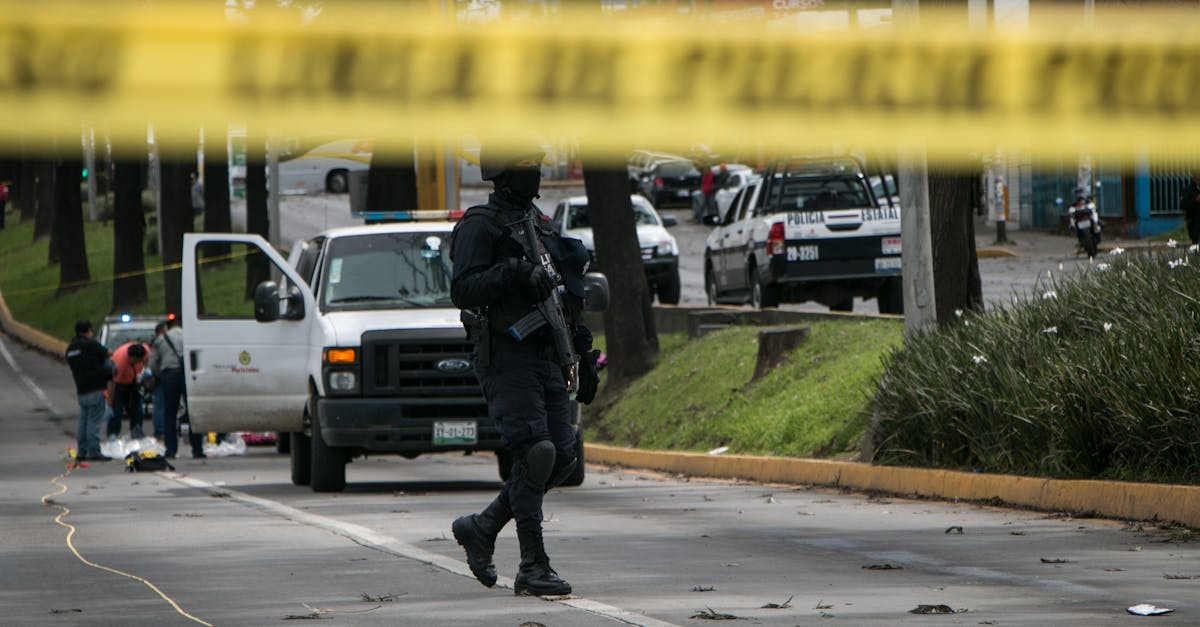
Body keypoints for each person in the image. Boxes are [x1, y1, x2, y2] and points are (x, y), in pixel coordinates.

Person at [448, 144, 600, 597]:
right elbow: (463, 289)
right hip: (507, 354)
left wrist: (585, 353)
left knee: (563, 457)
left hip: (548, 354)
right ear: (503, 173)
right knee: (535, 452)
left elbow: (564, 298)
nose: (534, 175)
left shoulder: (541, 225)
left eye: (537, 167)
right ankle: (533, 564)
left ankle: (484, 526)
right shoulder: (481, 225)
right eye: (526, 168)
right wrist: (511, 272)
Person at [150, 318, 205, 459]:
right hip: (187, 376)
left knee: (169, 414)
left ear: (167, 327)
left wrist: (160, 375)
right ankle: (197, 449)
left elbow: (153, 363)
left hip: (169, 376)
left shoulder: (161, 340)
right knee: (192, 411)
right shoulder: (189, 336)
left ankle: (171, 450)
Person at [65, 320, 112, 461]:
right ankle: (94, 452)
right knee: (94, 422)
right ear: (88, 331)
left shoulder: (71, 349)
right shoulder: (91, 344)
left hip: (81, 389)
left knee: (83, 421)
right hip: (96, 388)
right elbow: (108, 353)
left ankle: (82, 452)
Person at [106, 341, 149, 439]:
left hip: (133, 385)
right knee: (116, 415)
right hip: (118, 386)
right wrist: (109, 403)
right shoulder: (119, 362)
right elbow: (112, 382)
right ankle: (112, 437)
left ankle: (137, 435)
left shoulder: (144, 352)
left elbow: (147, 360)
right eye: (136, 361)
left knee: (137, 413)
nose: (138, 363)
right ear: (131, 358)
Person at [147, 321, 168, 439]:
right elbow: (153, 363)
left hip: (159, 377)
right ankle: (160, 431)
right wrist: (160, 374)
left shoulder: (157, 343)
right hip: (160, 378)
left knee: (160, 405)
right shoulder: (158, 343)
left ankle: (160, 430)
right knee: (160, 406)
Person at [1181, 174, 1200, 245]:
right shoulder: (1187, 190)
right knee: (1195, 240)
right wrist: (1195, 200)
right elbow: (1183, 205)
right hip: (1193, 220)